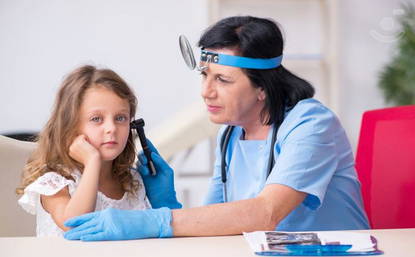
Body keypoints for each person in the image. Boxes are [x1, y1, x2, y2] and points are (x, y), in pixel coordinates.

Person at [63, 16, 369, 241]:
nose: (206, 91)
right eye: (205, 75)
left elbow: (267, 213)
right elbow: (214, 226)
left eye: (222, 80)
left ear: (262, 88)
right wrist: (167, 203)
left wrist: (154, 221)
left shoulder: (312, 124)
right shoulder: (231, 134)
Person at [16, 65, 160, 237]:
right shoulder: (55, 184)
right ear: (71, 126)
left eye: (120, 118)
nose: (111, 128)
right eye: (96, 119)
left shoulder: (132, 182)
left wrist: (163, 204)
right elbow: (75, 226)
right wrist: (92, 162)